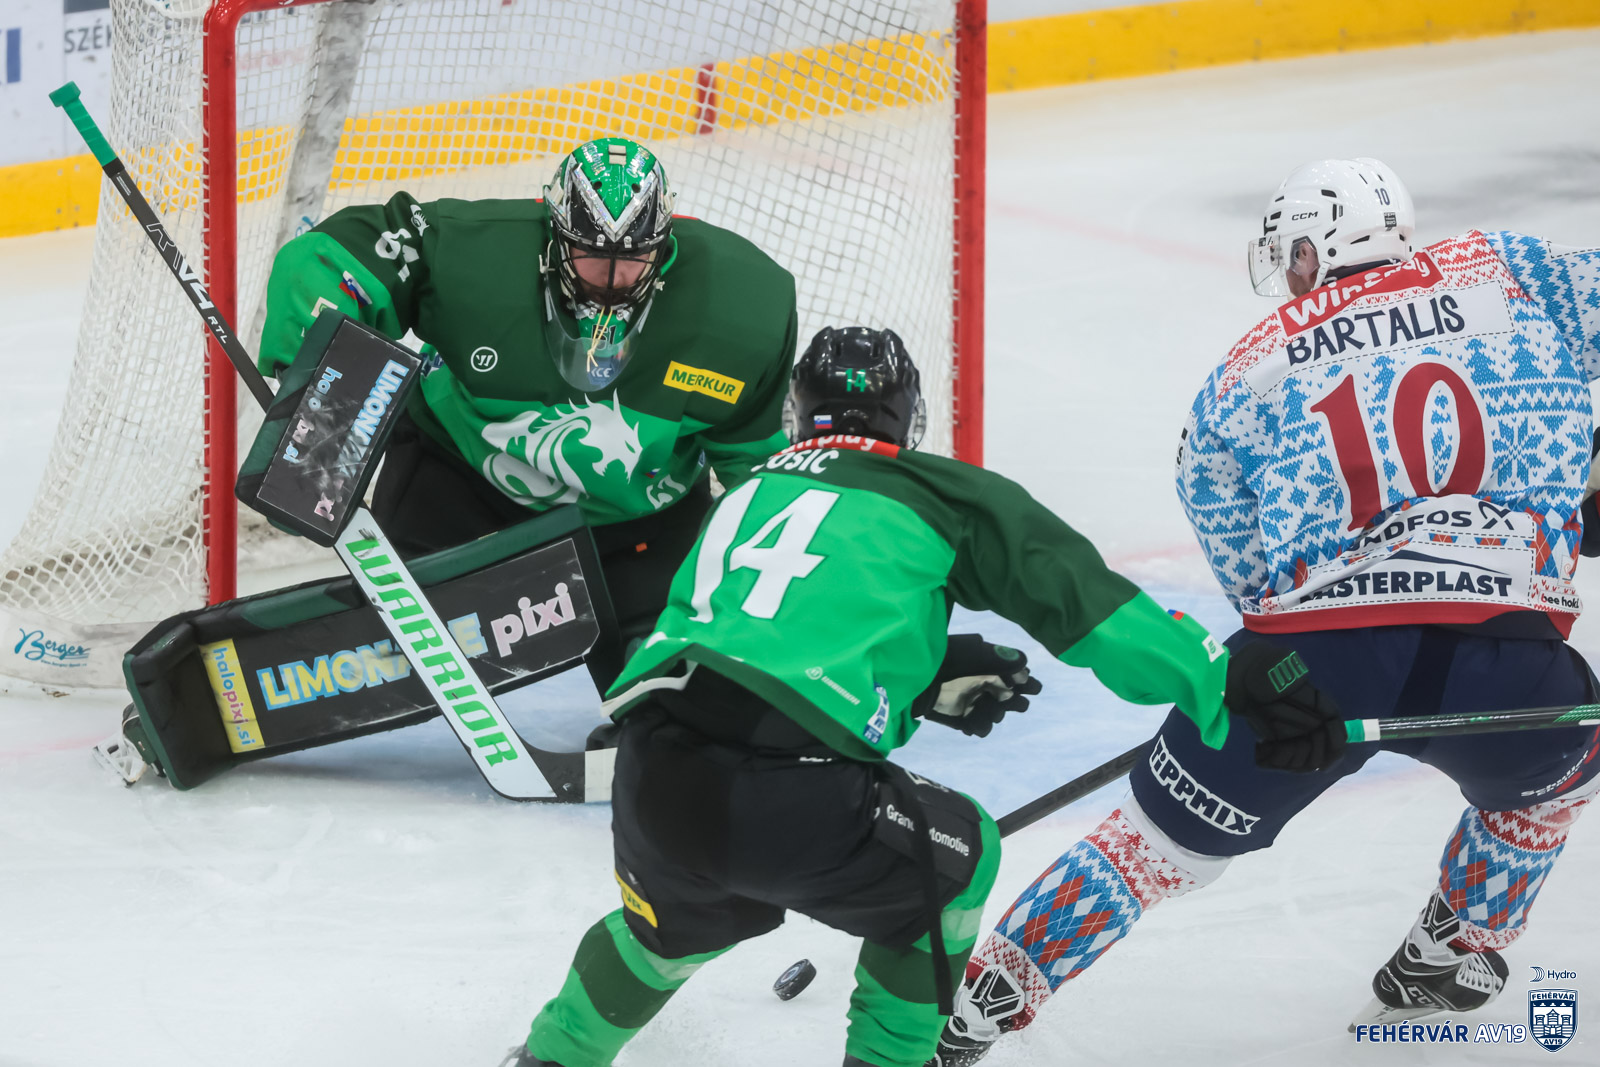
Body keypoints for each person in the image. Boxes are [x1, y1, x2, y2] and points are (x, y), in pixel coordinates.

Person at [502, 326, 1340, 1067]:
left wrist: (922, 674)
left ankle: (552, 1053)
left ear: (799, 415)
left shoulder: (751, 490)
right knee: (958, 859)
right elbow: (1090, 607)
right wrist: (1218, 680)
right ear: (908, 419)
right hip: (788, 791)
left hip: (654, 772)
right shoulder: (942, 492)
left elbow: (757, 637)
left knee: (668, 930)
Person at [931, 158, 1600, 1065]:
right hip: (1508, 652)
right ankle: (1457, 944)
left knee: (1151, 846)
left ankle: (975, 1009)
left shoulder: (1251, 364)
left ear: (1307, 252)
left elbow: (1216, 507)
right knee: (1560, 778)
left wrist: (1271, 654)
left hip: (1317, 662)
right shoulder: (1510, 269)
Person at [258, 136, 797, 687]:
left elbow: (760, 463)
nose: (613, 281)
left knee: (667, 691)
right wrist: (316, 400)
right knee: (403, 677)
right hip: (461, 495)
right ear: (555, 234)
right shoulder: (475, 251)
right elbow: (327, 257)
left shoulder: (745, 305)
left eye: (633, 259)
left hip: (634, 530)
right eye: (592, 257)